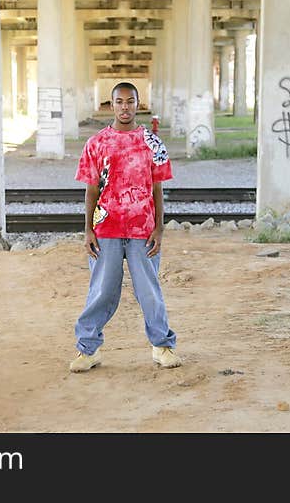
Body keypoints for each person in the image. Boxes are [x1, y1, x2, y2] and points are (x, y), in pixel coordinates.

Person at [69, 82, 181, 372]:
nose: (125, 107)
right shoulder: (97, 143)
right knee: (102, 291)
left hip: (143, 229)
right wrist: (88, 230)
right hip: (105, 228)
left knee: (149, 290)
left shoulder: (152, 143)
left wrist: (159, 228)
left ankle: (162, 346)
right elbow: (91, 191)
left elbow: (157, 189)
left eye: (130, 101)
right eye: (119, 102)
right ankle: (88, 350)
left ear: (138, 104)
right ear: (111, 105)